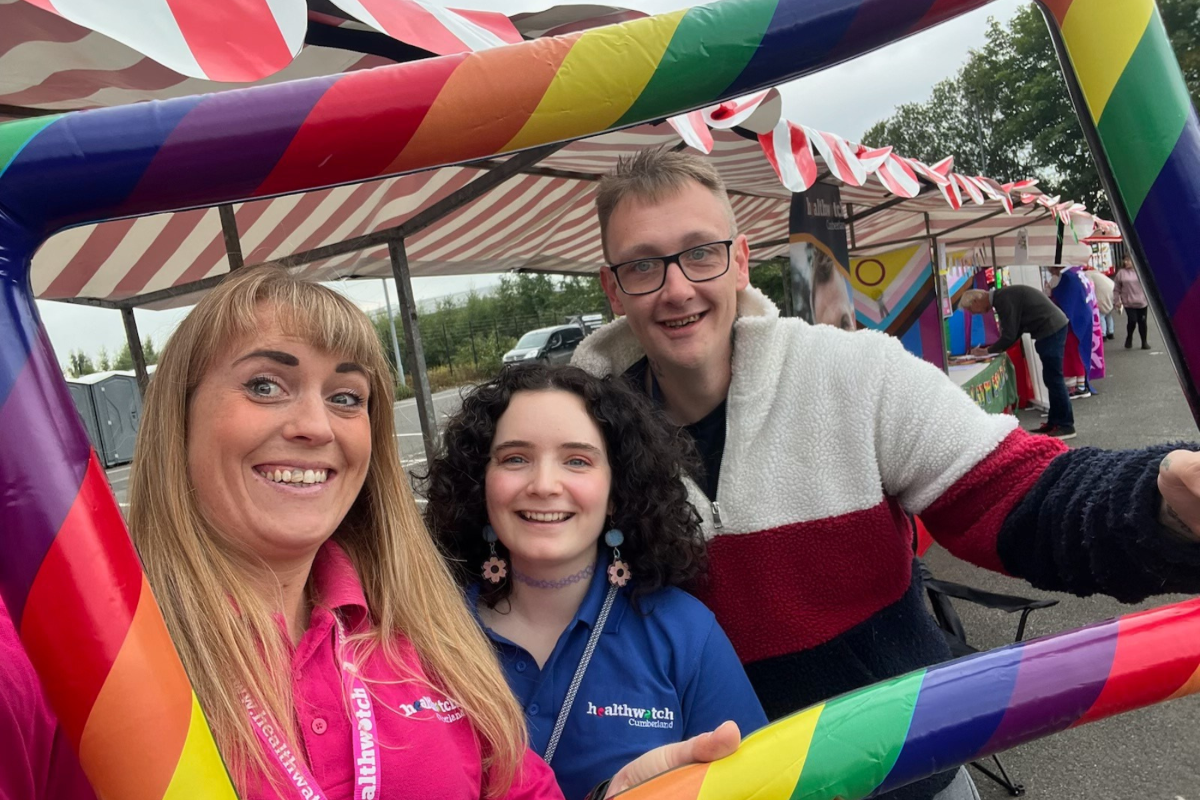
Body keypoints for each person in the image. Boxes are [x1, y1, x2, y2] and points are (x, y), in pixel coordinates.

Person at [573, 148, 1200, 800]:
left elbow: (1017, 494)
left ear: (737, 260)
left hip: (910, 773)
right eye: (643, 265)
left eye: (700, 252)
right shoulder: (571, 443)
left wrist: (1160, 495)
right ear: (612, 287)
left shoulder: (856, 373)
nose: (677, 288)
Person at [0, 266, 738, 800]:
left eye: (347, 397)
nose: (315, 426)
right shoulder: (61, 645)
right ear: (177, 417)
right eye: (265, 384)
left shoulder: (424, 637)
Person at [424, 364, 767, 800]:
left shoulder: (685, 635)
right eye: (515, 458)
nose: (544, 484)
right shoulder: (423, 638)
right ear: (480, 483)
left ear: (616, 491)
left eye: (577, 460)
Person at [961, 285, 1075, 439]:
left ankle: (1065, 425)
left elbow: (1010, 334)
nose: (975, 313)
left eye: (972, 310)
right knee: (1051, 379)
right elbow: (1016, 329)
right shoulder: (1003, 297)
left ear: (976, 300)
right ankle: (1055, 422)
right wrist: (995, 349)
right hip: (1051, 329)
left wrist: (988, 351)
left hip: (1051, 329)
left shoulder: (1002, 299)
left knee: (1054, 379)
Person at [1047, 266, 1101, 397]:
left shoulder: (1066, 279)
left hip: (1072, 323)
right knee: (1079, 352)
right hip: (1082, 319)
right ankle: (1080, 384)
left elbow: (1061, 302)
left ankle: (1075, 386)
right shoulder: (1077, 275)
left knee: (1072, 354)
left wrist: (1050, 294)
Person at [1114, 254, 1151, 350]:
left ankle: (1144, 342)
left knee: (1142, 322)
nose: (1125, 262)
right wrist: (1117, 300)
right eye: (1124, 260)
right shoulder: (1121, 273)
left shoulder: (1141, 270)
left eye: (1128, 260)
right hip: (1128, 302)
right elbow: (1116, 288)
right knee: (1132, 320)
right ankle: (1129, 337)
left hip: (1142, 301)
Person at [1085, 267, 1116, 341]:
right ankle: (1111, 332)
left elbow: (1089, 287)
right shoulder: (1098, 273)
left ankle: (1103, 334)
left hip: (1102, 295)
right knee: (1108, 314)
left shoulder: (1087, 275)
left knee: (1101, 315)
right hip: (1112, 292)